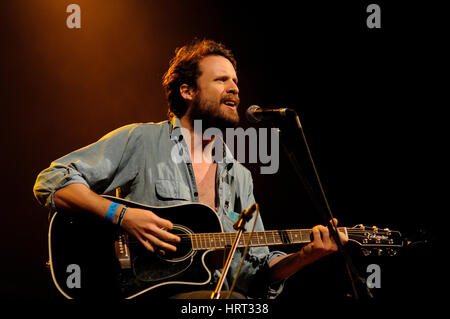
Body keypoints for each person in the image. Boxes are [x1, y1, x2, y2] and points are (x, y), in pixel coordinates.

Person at [33, 39, 348, 299]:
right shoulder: (142, 139)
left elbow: (254, 273)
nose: (235, 88)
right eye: (221, 80)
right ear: (188, 91)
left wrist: (305, 257)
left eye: (235, 81)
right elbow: (53, 180)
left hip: (204, 296)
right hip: (137, 291)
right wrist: (123, 216)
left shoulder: (239, 176)